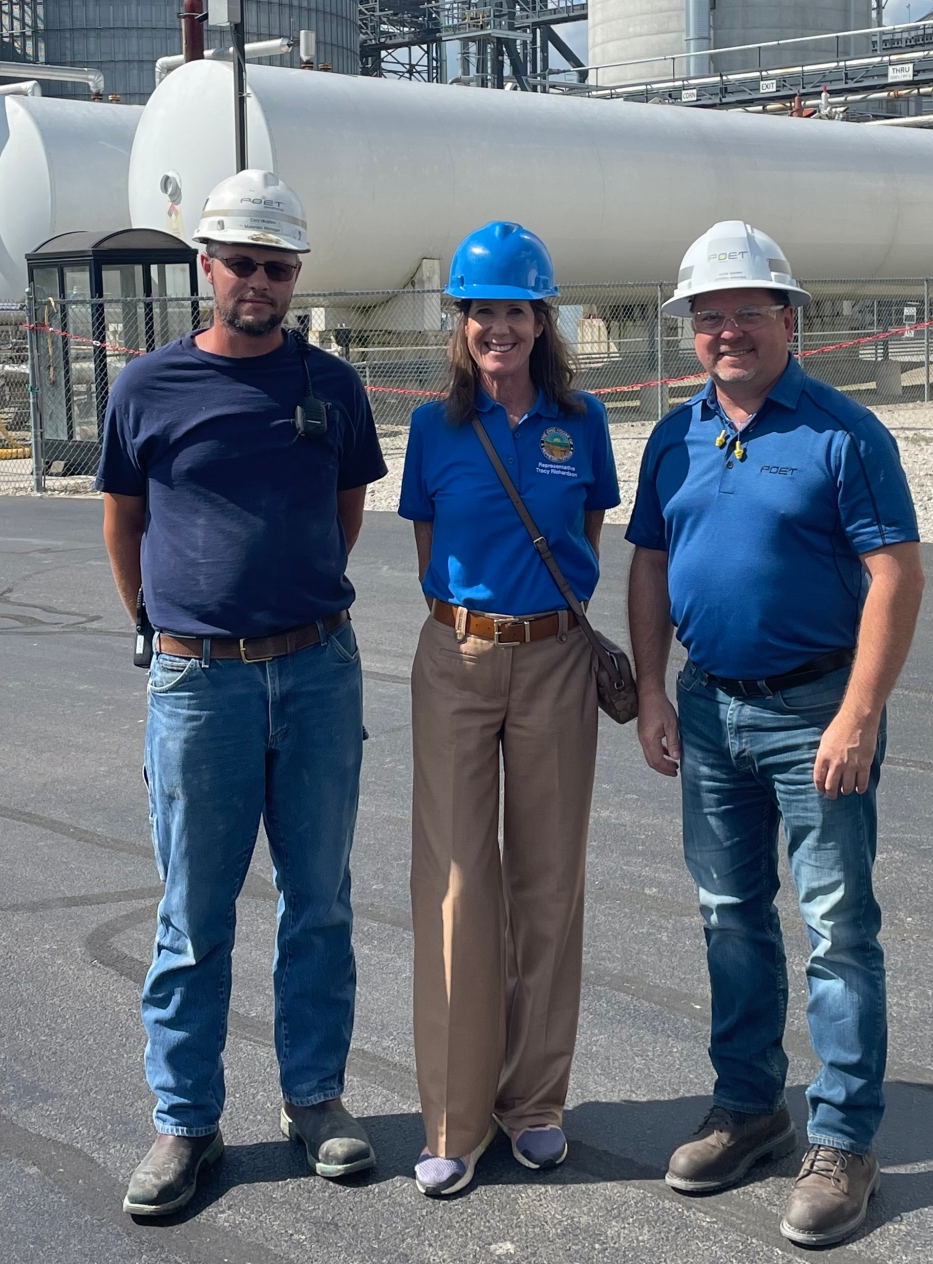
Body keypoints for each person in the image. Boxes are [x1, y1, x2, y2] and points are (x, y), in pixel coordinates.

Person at [626, 220, 924, 1250]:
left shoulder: (842, 434)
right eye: (708, 317)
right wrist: (656, 691)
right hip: (707, 709)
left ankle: (841, 1138)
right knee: (727, 914)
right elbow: (650, 567)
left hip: (814, 714)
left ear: (787, 319)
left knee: (836, 927)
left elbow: (894, 575)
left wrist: (858, 709)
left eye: (746, 312)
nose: (726, 332)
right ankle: (747, 1104)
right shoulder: (672, 436)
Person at [97, 169, 388, 1219]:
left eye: (276, 264)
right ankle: (186, 1121)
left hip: (315, 667)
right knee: (192, 915)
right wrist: (161, 624)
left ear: (294, 273)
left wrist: (290, 604)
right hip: (198, 681)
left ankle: (313, 1097)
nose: (258, 280)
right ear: (205, 265)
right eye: (241, 262)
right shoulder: (148, 387)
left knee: (318, 900)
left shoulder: (332, 385)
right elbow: (123, 518)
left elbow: (345, 505)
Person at [397, 222, 620, 1197]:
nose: (497, 325)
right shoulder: (432, 428)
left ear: (542, 318)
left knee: (546, 880)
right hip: (454, 655)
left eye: (514, 309)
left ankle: (534, 1102)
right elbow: (425, 547)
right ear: (461, 321)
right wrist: (472, 622)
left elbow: (587, 535)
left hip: (556, 657)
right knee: (453, 884)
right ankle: (452, 1118)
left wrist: (537, 624)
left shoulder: (583, 420)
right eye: (479, 309)